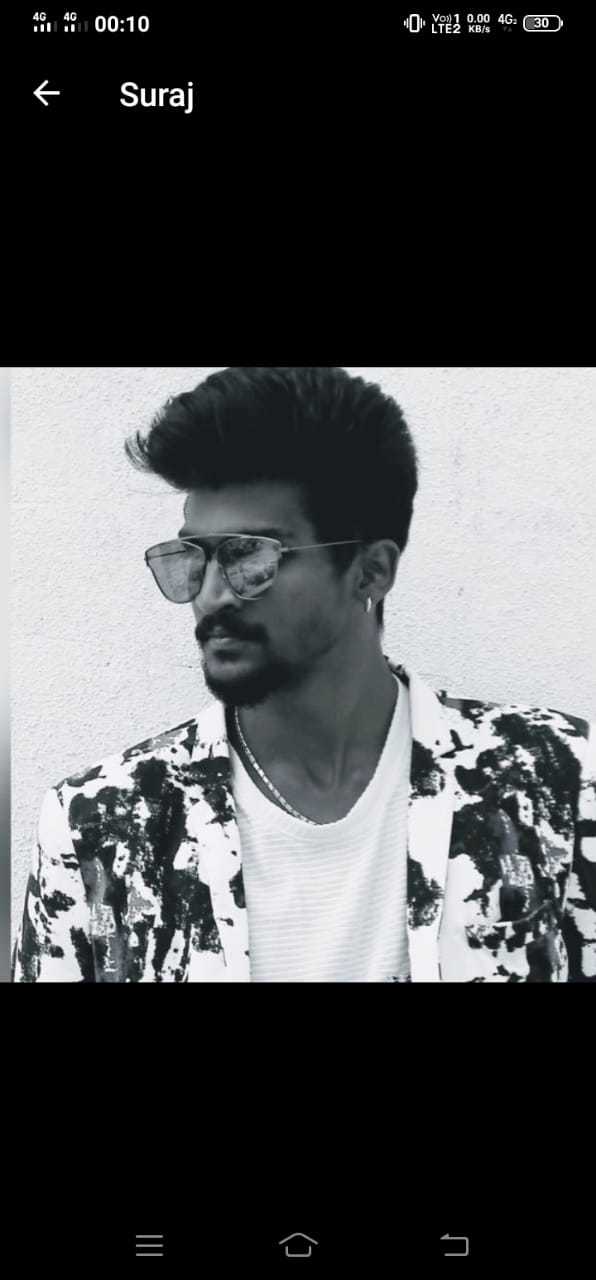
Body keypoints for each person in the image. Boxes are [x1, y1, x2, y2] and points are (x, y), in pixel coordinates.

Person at [12, 367, 596, 982]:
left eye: (250, 556)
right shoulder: (104, 823)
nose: (211, 596)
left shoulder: (554, 781)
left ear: (371, 571)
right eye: (193, 557)